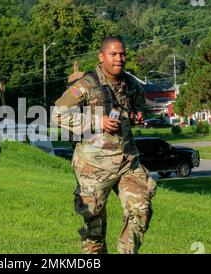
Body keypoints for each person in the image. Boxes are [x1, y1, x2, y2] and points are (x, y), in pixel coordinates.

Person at [53, 37, 156, 254]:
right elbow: (58, 113)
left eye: (122, 54)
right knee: (95, 230)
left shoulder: (131, 83)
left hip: (128, 162)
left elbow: (140, 106)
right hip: (94, 166)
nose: (119, 59)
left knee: (141, 210)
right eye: (113, 54)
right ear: (101, 57)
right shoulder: (86, 84)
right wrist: (96, 121)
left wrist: (138, 115)